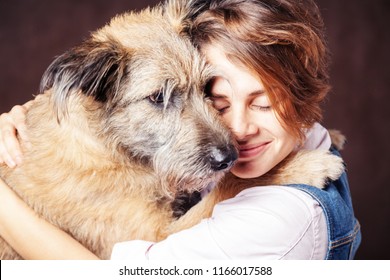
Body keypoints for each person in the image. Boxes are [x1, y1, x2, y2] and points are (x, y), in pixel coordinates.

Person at [0, 0, 361, 259]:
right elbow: (149, 248)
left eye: (263, 104)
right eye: (160, 98)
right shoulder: (79, 168)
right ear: (93, 93)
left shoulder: (279, 222)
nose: (231, 134)